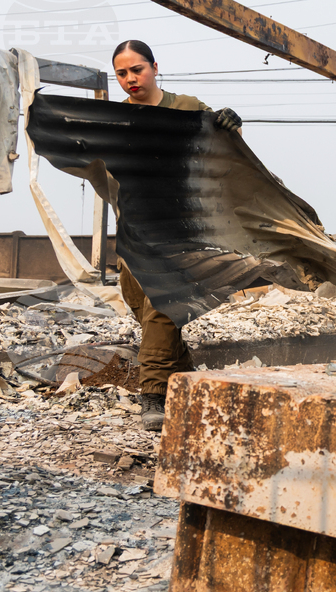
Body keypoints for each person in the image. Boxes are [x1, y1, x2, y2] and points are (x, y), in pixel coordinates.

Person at [111, 40, 242, 431]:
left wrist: (228, 124)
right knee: (143, 307)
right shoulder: (112, 119)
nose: (130, 79)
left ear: (154, 67)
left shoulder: (186, 108)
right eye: (121, 73)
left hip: (178, 227)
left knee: (161, 304)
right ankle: (185, 377)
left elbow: (222, 148)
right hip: (134, 226)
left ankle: (152, 394)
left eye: (137, 69)